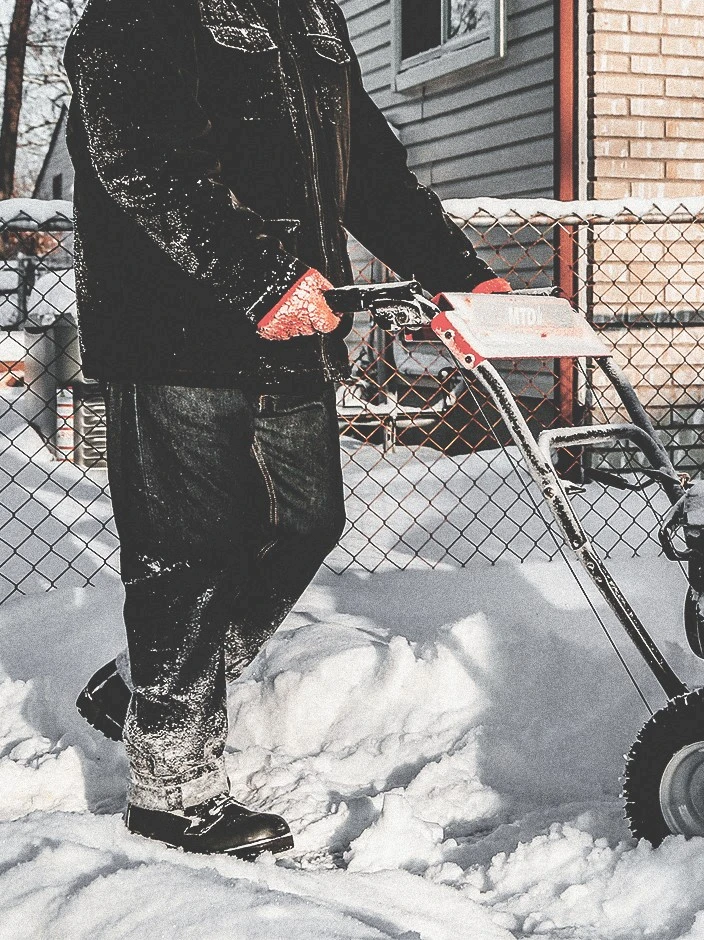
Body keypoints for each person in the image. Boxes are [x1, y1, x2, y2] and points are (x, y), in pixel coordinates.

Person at [62, 0, 508, 858]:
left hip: (301, 325)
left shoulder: (311, 14)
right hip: (177, 330)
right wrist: (257, 275)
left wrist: (463, 277)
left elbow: (369, 171)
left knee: (306, 522)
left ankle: (146, 692)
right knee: (190, 551)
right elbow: (136, 158)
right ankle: (172, 792)